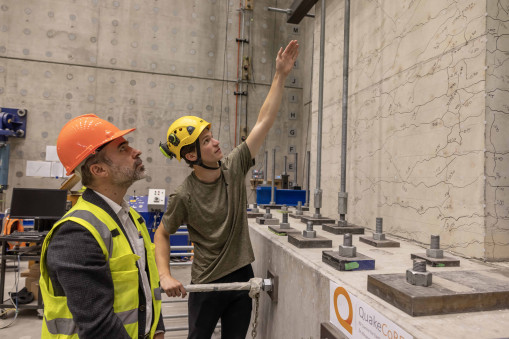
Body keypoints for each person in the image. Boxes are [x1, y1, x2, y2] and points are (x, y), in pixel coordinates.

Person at [155, 40, 299, 338]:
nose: (215, 142)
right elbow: (162, 233)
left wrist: (280, 75)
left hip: (241, 278)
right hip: (206, 283)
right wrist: (165, 275)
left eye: (212, 136)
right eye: (206, 141)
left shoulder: (234, 168)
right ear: (191, 155)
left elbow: (264, 121)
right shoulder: (185, 194)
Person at [39, 114, 165, 338]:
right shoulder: (76, 233)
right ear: (98, 170)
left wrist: (157, 329)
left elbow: (146, 285)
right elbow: (98, 326)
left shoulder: (132, 218)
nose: (136, 151)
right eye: (123, 148)